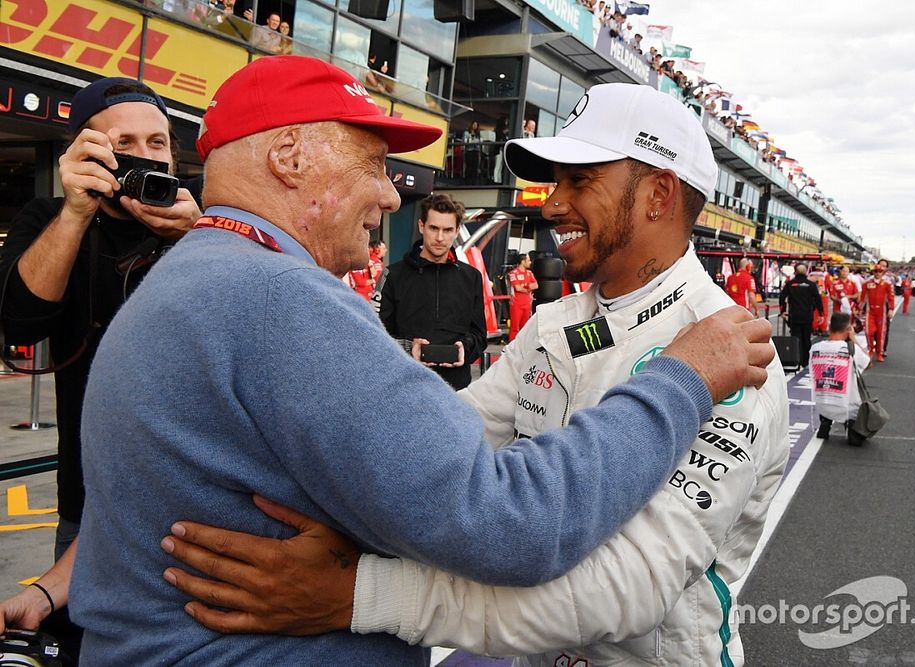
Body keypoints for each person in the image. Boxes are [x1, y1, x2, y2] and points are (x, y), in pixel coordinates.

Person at [0, 60, 775, 664]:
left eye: (578, 180)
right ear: (291, 155)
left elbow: (620, 584)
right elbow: (490, 504)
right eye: (373, 161)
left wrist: (355, 594)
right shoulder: (280, 296)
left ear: (658, 196)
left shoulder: (733, 353)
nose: (391, 194)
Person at [0, 77, 201, 558]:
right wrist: (74, 213)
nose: (145, 156)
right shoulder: (51, 218)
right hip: (89, 499)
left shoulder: (206, 219)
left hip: (194, 505)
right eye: (122, 144)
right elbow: (22, 324)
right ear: (85, 154)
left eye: (156, 143)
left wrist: (199, 237)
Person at [376, 193, 485, 390]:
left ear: (457, 231)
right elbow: (376, 336)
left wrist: (464, 349)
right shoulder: (393, 275)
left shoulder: (472, 277)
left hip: (457, 390)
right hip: (406, 387)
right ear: (421, 226)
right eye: (434, 228)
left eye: (448, 230)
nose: (440, 238)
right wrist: (410, 349)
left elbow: (479, 335)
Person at [809, 312, 870, 447]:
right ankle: (850, 426)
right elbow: (868, 363)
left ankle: (826, 422)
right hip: (847, 408)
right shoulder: (850, 349)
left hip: (823, 405)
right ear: (848, 330)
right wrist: (854, 339)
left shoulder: (815, 348)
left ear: (830, 327)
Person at [780, 263, 824, 367]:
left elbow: (782, 297)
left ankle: (796, 359)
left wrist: (782, 311)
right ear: (806, 272)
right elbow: (818, 299)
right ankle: (805, 360)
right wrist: (821, 314)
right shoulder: (811, 285)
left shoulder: (790, 284)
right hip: (807, 316)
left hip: (794, 316)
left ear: (795, 272)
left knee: (796, 337)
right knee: (806, 338)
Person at [858, 264, 894, 362]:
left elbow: (891, 298)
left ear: (883, 273)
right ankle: (870, 349)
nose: (877, 273)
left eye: (880, 271)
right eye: (876, 271)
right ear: (873, 272)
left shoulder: (887, 284)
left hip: (882, 312)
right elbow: (862, 298)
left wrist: (891, 309)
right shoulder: (867, 283)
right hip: (870, 312)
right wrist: (860, 309)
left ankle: (879, 352)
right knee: (869, 331)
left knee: (880, 334)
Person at [506, 252, 537, 341]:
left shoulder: (529, 273)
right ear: (523, 261)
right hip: (516, 304)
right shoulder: (513, 273)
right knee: (514, 327)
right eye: (528, 260)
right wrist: (528, 287)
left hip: (527, 304)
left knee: (525, 328)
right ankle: (512, 346)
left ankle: (523, 346)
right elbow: (517, 288)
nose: (530, 262)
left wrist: (524, 286)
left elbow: (536, 285)